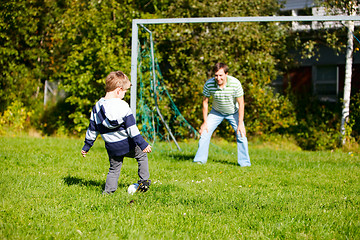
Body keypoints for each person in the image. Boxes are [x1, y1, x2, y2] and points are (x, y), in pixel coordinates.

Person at [81, 71, 152, 194]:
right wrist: (143, 144)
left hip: (112, 146)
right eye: (124, 92)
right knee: (141, 155)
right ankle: (144, 181)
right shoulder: (123, 106)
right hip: (126, 144)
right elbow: (132, 129)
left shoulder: (97, 107)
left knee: (114, 169)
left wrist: (87, 146)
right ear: (119, 90)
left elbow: (92, 129)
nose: (124, 94)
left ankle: (108, 192)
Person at [193, 63, 251, 167]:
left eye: (221, 75)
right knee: (204, 132)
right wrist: (205, 122)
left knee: (241, 134)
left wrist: (240, 123)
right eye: (216, 75)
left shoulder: (235, 83)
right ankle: (199, 161)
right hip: (216, 112)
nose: (218, 78)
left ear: (226, 74)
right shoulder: (209, 84)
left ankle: (245, 163)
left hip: (234, 112)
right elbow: (205, 103)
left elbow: (241, 103)